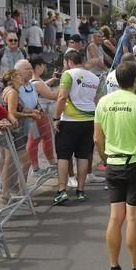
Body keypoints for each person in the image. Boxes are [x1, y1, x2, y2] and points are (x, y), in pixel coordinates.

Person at [94, 61, 136, 270]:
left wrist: (104, 159)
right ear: (134, 80)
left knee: (115, 217)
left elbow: (97, 138)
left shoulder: (103, 102)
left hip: (113, 162)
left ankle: (113, 269)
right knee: (133, 219)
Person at [52, 50, 102, 205]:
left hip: (69, 121)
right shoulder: (94, 77)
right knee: (83, 155)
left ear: (68, 61)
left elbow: (61, 97)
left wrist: (55, 117)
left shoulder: (68, 74)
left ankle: (62, 191)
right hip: (89, 120)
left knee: (63, 156)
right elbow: (98, 99)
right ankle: (80, 190)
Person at [1, 68, 39, 200]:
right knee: (25, 162)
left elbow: (19, 108)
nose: (22, 77)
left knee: (9, 161)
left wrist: (32, 112)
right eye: (18, 75)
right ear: (12, 78)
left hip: (10, 130)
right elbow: (12, 112)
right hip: (14, 131)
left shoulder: (12, 91)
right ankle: (22, 191)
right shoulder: (12, 92)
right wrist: (29, 114)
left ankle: (8, 192)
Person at [28, 56, 58, 175]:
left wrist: (51, 80)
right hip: (39, 115)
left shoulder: (34, 82)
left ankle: (44, 165)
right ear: (38, 66)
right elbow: (52, 95)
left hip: (38, 114)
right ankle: (40, 167)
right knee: (40, 140)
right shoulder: (37, 83)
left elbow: (41, 85)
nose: (44, 67)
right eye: (43, 65)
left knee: (40, 139)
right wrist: (66, 87)